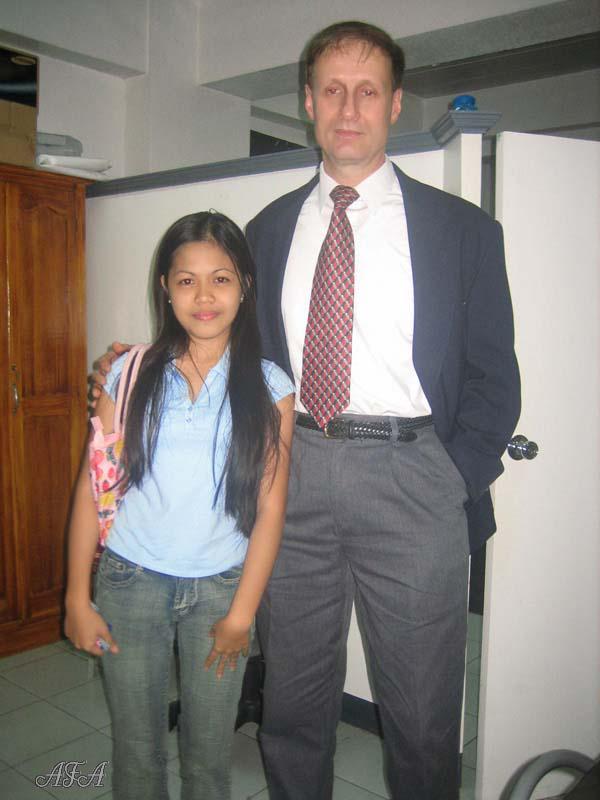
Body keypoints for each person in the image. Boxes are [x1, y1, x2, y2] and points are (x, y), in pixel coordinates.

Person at [93, 20, 520, 800]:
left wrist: (453, 476)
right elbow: (228, 347)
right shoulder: (267, 232)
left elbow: (496, 376)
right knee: (292, 703)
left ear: (395, 103)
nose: (349, 108)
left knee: (423, 715)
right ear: (308, 102)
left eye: (367, 91)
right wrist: (133, 371)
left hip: (414, 479)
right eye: (332, 90)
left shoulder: (464, 231)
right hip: (292, 475)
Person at [66, 211, 294, 800]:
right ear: (166, 288)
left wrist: (242, 615)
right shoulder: (128, 372)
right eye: (187, 280)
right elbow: (94, 488)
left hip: (220, 589)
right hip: (130, 582)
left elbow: (271, 509)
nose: (204, 296)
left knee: (207, 759)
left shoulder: (270, 386)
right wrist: (76, 599)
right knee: (137, 753)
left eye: (221, 279)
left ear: (244, 286)